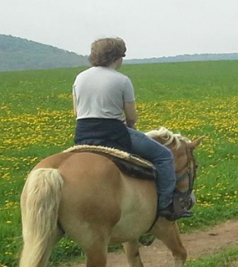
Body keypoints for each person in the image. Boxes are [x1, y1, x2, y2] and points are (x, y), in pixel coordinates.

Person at [72, 37, 189, 220]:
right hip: (114, 134)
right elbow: (131, 117)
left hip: (83, 134)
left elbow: (76, 112)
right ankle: (165, 206)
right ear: (117, 57)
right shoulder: (122, 80)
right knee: (164, 156)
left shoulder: (80, 78)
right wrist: (131, 127)